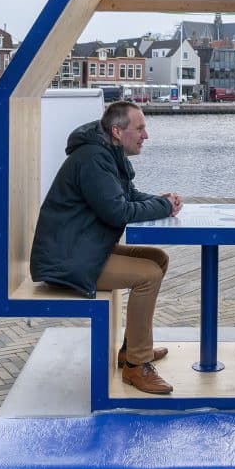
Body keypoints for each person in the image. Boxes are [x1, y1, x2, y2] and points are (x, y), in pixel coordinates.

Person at [30, 100, 183, 395]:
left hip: (84, 247)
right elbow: (117, 212)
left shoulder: (108, 153)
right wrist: (162, 205)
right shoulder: (93, 158)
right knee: (147, 275)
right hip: (68, 259)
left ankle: (132, 350)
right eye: (140, 128)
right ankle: (136, 368)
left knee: (157, 259)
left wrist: (163, 202)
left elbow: (128, 195)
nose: (146, 135)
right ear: (117, 130)